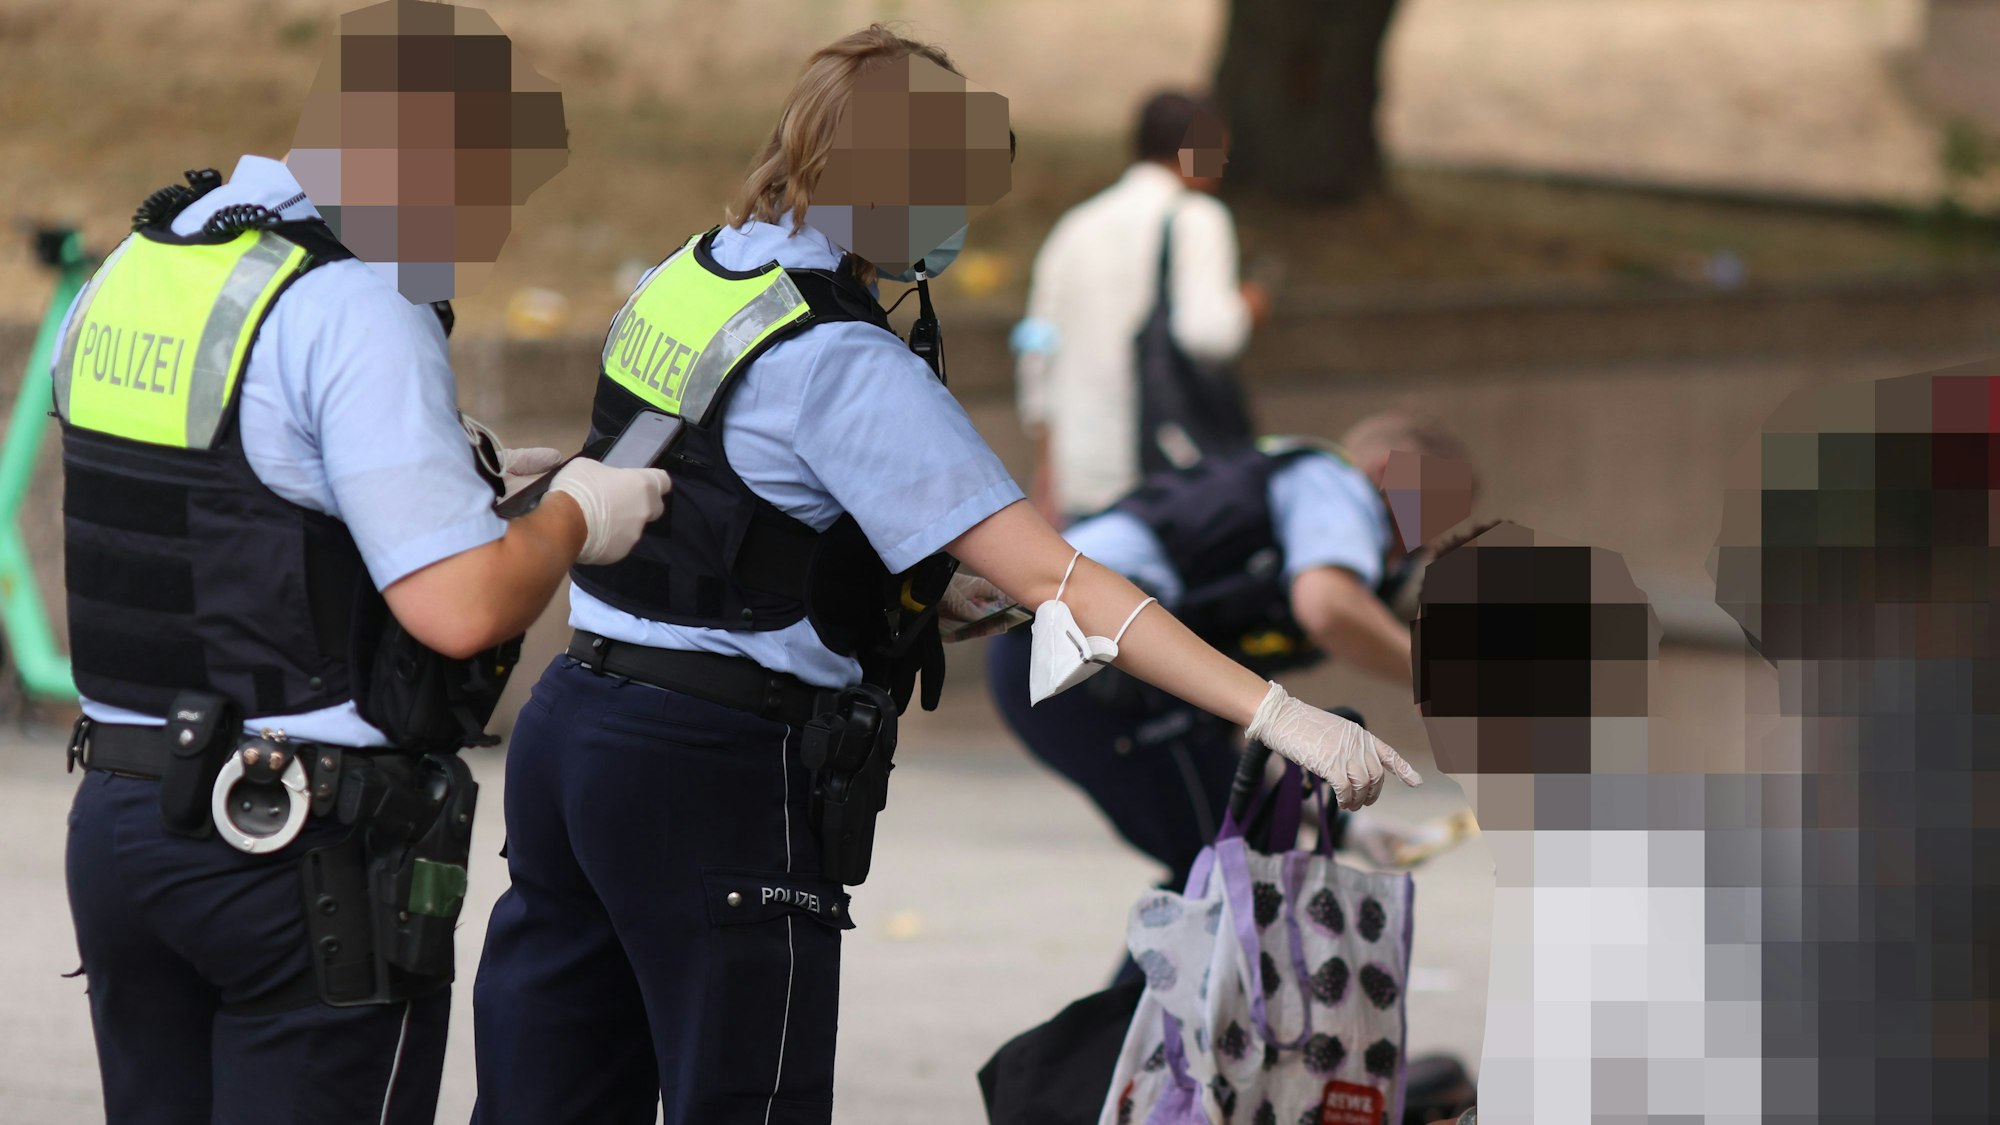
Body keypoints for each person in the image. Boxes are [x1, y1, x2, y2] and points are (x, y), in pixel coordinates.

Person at [468, 26, 1419, 1125]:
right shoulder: (845, 357)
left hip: (575, 733)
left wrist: (900, 591)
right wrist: (1280, 715)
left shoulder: (691, 274)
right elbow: (1062, 579)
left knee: (547, 1102)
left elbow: (703, 492)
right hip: (714, 772)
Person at [58, 4, 670, 1122]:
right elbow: (460, 607)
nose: (491, 225)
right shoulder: (354, 303)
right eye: (489, 186)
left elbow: (215, 501)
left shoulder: (139, 265)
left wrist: (445, 481)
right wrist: (575, 514)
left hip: (123, 821)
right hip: (295, 852)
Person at [988, 412, 1476, 927]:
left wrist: (1347, 830)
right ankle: (1172, 983)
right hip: (1078, 652)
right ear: (1385, 474)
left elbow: (1218, 733)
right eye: (1428, 514)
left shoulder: (1270, 519)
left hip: (1057, 655)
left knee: (1236, 868)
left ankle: (1183, 982)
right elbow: (1329, 606)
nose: (1422, 546)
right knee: (1236, 873)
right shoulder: (1333, 484)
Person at [1013, 90, 1270, 525]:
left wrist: (1047, 465)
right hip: (1169, 474)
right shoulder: (1198, 217)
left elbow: (1036, 346)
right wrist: (1247, 307)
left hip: (1082, 472)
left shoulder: (1076, 226)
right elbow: (1209, 334)